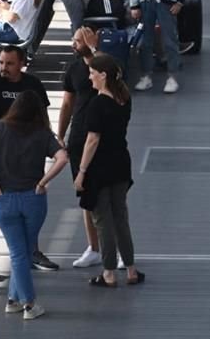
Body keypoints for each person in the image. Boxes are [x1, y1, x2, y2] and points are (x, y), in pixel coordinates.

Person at [0, 90, 68, 321]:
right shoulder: (42, 132)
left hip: (4, 200)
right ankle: (29, 304)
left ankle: (13, 300)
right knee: (21, 252)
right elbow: (62, 158)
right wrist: (43, 182)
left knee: (20, 253)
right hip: (33, 199)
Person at [0, 46, 56, 280]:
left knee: (31, 206)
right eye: (1, 63)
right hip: (0, 160)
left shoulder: (33, 85)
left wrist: (46, 143)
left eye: (9, 63)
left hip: (28, 158)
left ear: (21, 64)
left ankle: (32, 251)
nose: (3, 68)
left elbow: (43, 118)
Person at [74, 54, 144, 286]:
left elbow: (92, 140)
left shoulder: (97, 104)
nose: (90, 77)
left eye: (92, 73)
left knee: (103, 220)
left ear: (103, 75)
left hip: (100, 168)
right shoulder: (124, 98)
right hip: (121, 163)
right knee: (120, 217)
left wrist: (82, 171)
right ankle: (131, 269)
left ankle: (109, 272)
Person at [57, 27, 102, 268]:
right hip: (78, 138)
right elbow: (67, 104)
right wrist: (60, 134)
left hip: (103, 137)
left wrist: (94, 49)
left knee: (108, 195)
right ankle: (93, 247)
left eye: (77, 41)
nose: (72, 45)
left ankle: (115, 247)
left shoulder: (103, 65)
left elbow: (112, 78)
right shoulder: (73, 69)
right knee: (85, 195)